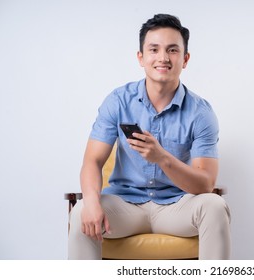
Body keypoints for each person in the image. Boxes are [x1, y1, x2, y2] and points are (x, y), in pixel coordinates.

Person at [68, 14, 231, 260]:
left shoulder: (201, 113)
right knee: (81, 210)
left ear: (185, 59)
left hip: (177, 207)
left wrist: (162, 157)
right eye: (154, 49)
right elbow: (92, 161)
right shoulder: (118, 101)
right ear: (141, 58)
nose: (163, 58)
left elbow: (205, 185)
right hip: (125, 206)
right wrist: (91, 202)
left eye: (173, 50)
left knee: (215, 206)